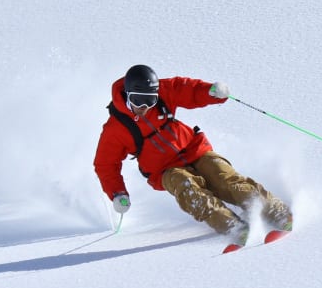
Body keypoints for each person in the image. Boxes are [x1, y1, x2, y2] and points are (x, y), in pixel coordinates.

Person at [94, 65, 292, 244]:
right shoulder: (116, 129)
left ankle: (274, 211)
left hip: (194, 149)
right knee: (188, 188)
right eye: (137, 100)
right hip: (165, 170)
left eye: (150, 100)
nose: (144, 107)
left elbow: (186, 89)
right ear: (127, 96)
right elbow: (106, 165)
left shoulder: (164, 92)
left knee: (224, 178)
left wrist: (211, 92)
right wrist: (118, 194)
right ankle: (231, 226)